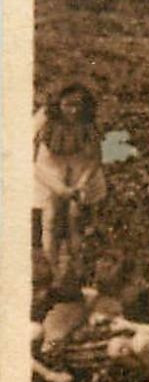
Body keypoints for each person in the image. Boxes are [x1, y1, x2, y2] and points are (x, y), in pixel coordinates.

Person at [34, 83, 107, 289]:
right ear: (58, 104)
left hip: (81, 167)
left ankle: (77, 271)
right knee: (50, 216)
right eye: (68, 105)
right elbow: (32, 160)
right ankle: (51, 270)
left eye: (78, 105)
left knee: (76, 217)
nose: (74, 111)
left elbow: (95, 157)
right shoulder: (45, 120)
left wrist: (82, 184)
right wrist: (59, 188)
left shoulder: (88, 122)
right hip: (48, 168)